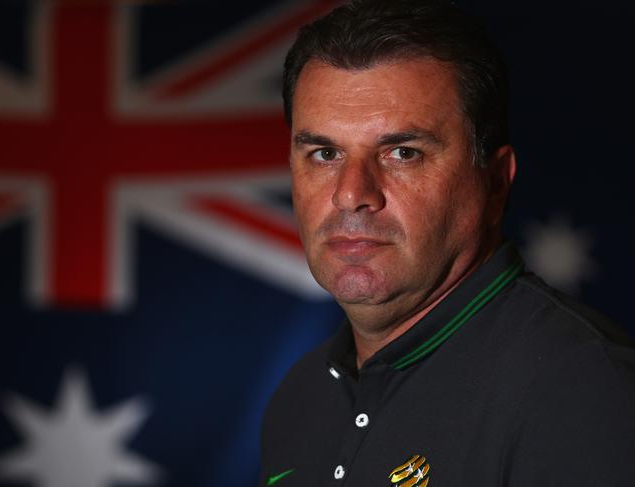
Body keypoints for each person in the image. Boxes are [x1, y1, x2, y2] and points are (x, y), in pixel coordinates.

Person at [260, 1, 635, 485]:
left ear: (496, 181)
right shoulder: (301, 395)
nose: (351, 193)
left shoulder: (583, 391)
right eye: (325, 153)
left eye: (402, 152)